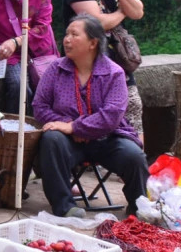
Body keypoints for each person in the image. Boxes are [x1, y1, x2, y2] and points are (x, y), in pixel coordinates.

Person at [32, 15, 148, 219]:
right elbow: (39, 106)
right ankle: (64, 206)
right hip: (69, 141)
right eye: (66, 34)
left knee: (133, 155)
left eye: (74, 34)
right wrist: (69, 127)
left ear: (93, 43)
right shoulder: (56, 69)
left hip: (108, 137)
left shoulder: (114, 73)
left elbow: (111, 115)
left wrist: (78, 127)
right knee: (51, 139)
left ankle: (138, 206)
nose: (66, 39)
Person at [60, 0, 146, 138]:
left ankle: (136, 157)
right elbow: (97, 23)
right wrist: (123, 11)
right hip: (87, 58)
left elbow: (138, 11)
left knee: (132, 104)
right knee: (96, 107)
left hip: (118, 59)